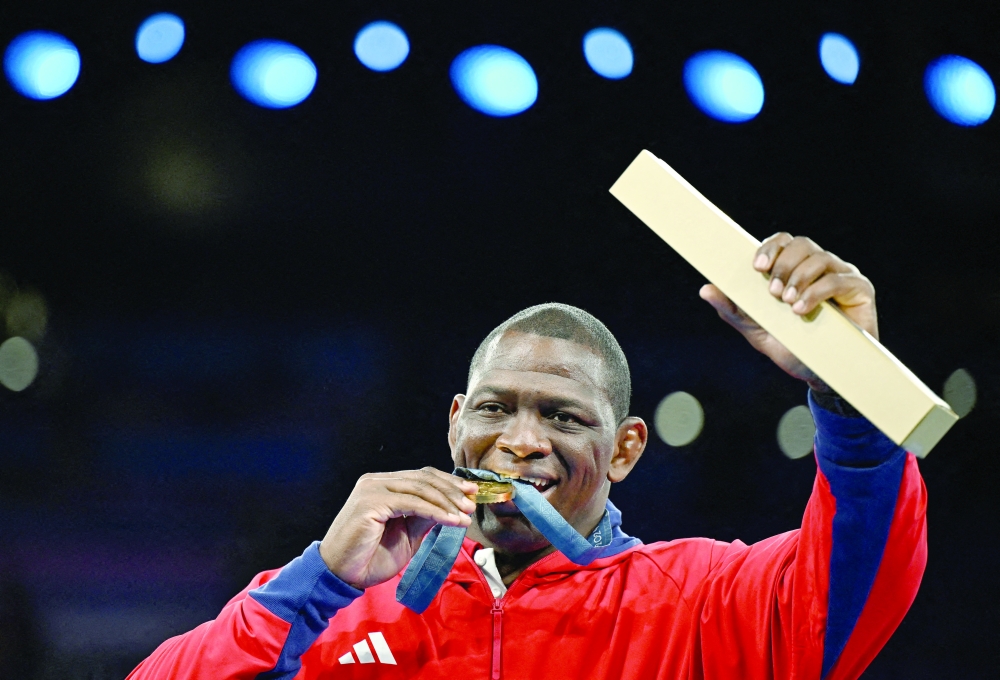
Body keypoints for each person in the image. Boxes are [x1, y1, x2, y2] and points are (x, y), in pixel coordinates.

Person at [127, 234, 926, 680]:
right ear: (453, 424)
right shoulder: (332, 613)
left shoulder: (707, 603)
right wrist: (321, 581)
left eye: (563, 416)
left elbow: (859, 568)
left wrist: (851, 388)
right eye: (496, 408)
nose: (521, 440)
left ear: (625, 450)